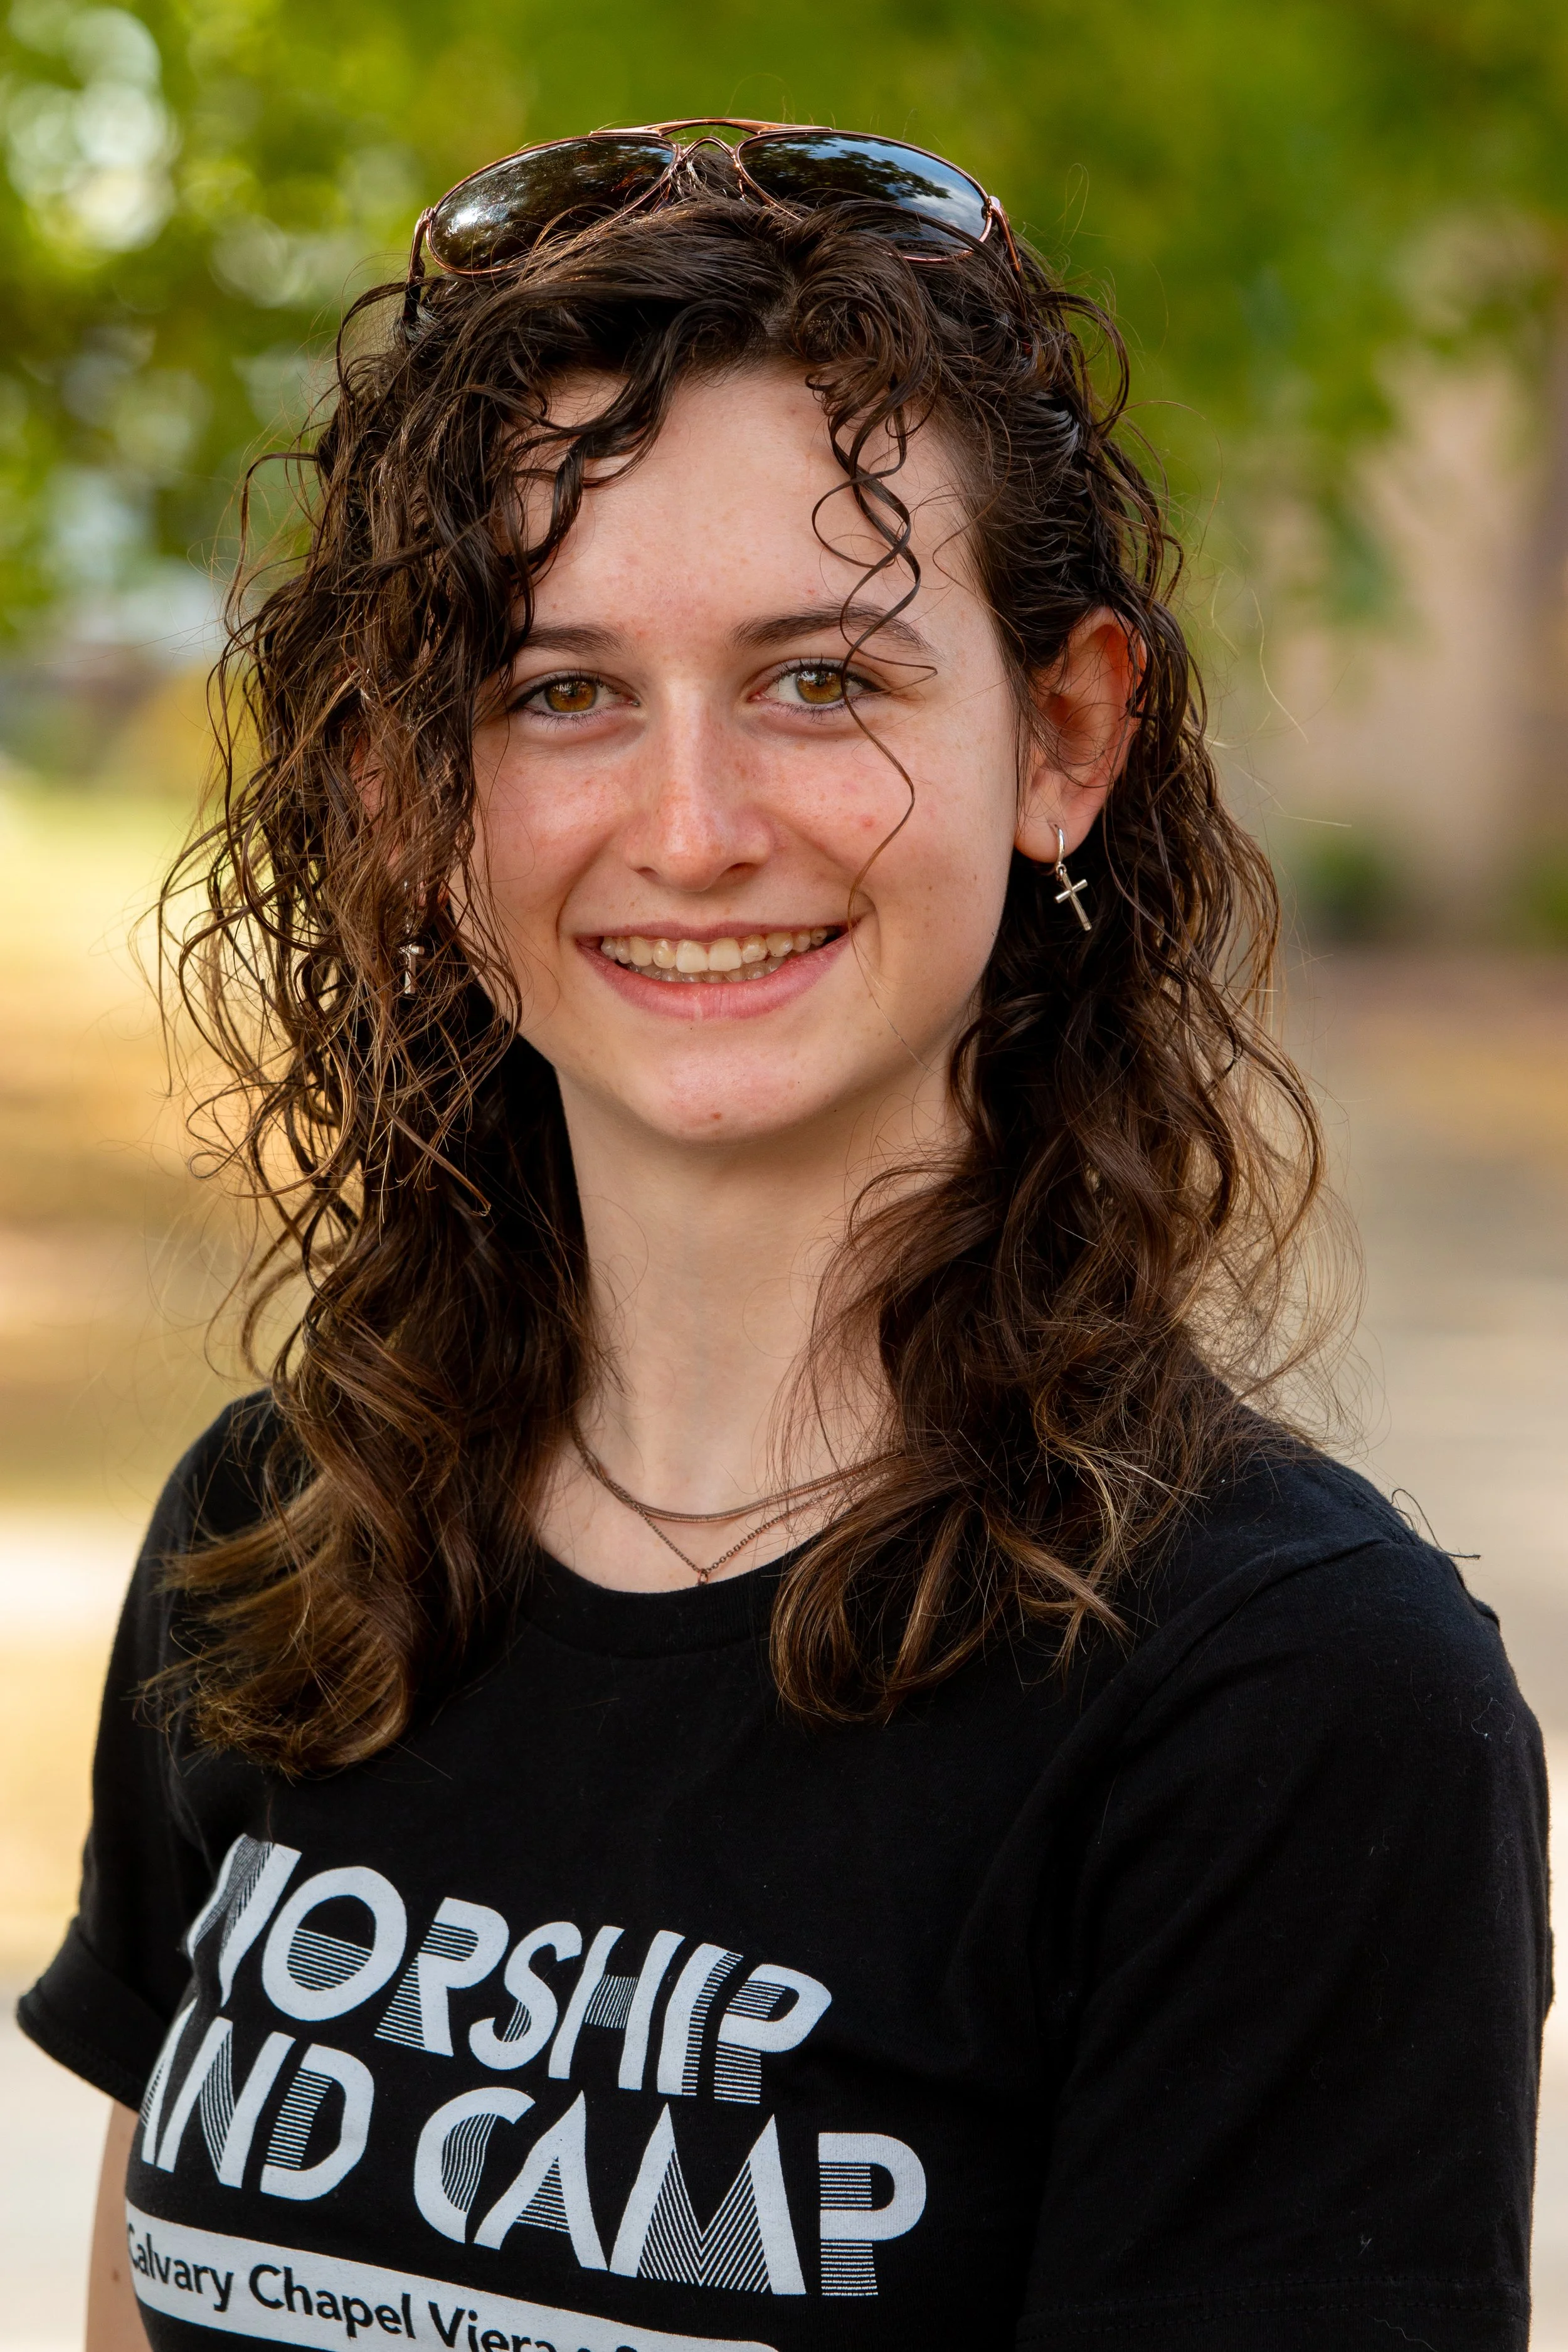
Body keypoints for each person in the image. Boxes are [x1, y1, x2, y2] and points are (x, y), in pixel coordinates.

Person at [19, 122, 1549, 2352]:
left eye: (821, 677)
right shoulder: (282, 1532)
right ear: (404, 800)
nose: (692, 823)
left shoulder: (1286, 1707)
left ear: (1064, 738)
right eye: (557, 692)